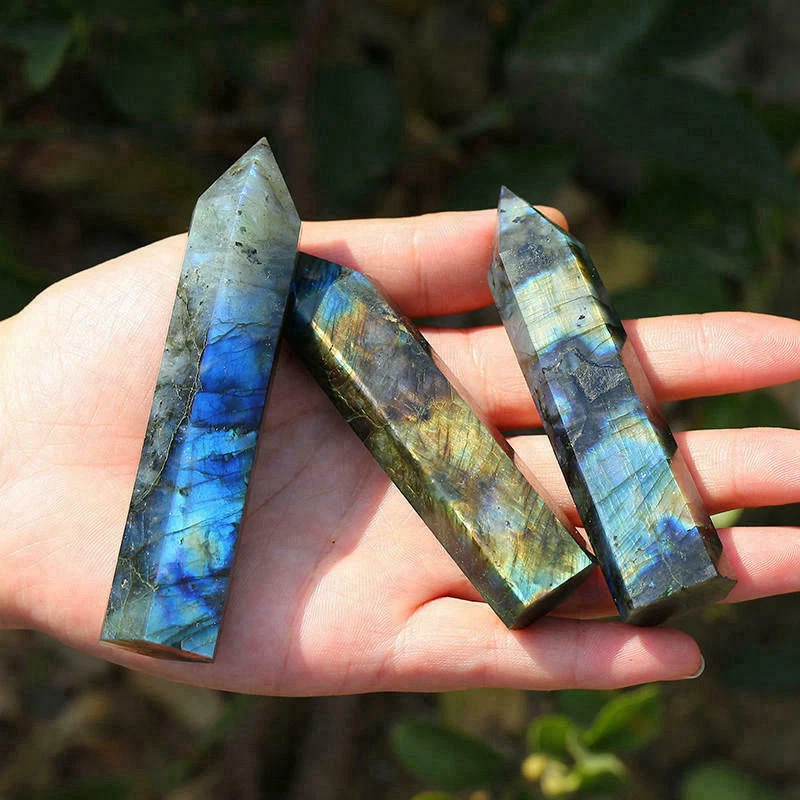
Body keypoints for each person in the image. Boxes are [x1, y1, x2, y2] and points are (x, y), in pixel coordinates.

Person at [0, 208, 798, 695]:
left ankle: (635, 560)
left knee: (599, 548)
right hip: (164, 576)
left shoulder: (316, 280)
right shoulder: (295, 280)